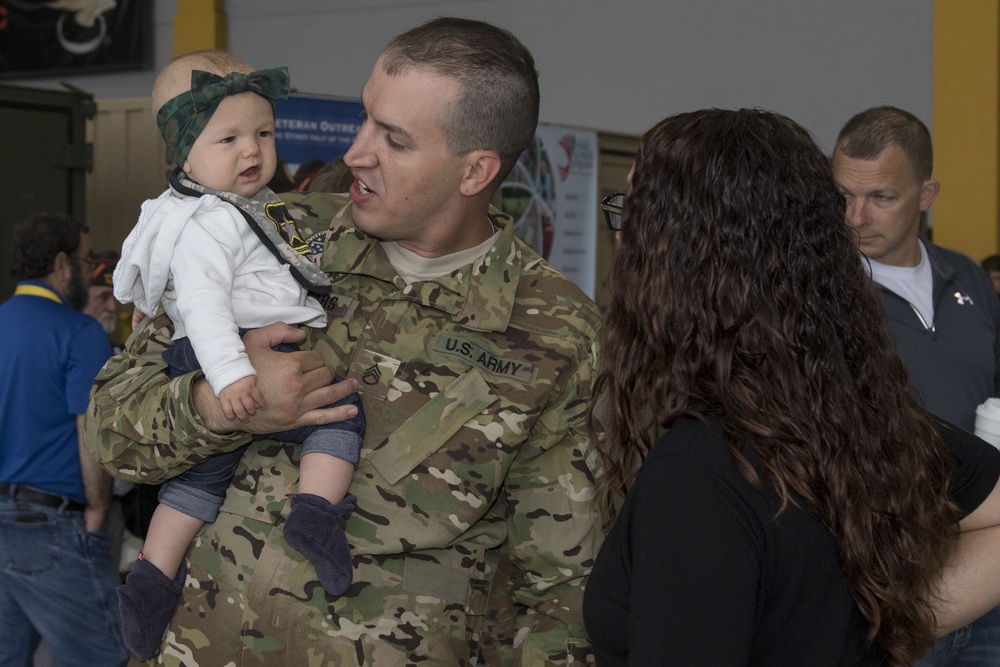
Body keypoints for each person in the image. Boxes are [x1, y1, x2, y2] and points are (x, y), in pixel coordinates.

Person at [86, 17, 608, 665]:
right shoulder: (261, 227)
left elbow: (560, 588)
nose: (358, 151)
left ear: (475, 171)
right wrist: (214, 404)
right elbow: (110, 428)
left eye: (393, 138)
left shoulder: (554, 328)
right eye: (366, 119)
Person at [582, 108, 1000, 666]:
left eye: (632, 210)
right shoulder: (857, 420)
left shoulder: (699, 472)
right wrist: (880, 623)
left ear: (683, 251)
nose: (622, 230)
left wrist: (891, 618)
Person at [111, 50, 365, 660]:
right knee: (342, 411)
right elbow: (200, 305)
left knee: (199, 482)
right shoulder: (209, 222)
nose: (252, 151)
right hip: (222, 356)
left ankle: (152, 574)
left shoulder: (248, 209)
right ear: (184, 154)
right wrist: (231, 377)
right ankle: (316, 508)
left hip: (231, 355)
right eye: (229, 138)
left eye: (263, 133)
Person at [833, 106, 1000, 665]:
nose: (856, 216)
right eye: (844, 196)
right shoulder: (821, 295)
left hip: (985, 564)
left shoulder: (969, 279)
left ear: (926, 195)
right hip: (891, 575)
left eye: (882, 197)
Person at [0, 212, 129, 667]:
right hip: (53, 525)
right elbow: (89, 432)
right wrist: (96, 513)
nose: (88, 265)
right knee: (105, 657)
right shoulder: (80, 331)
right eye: (85, 258)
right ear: (61, 264)